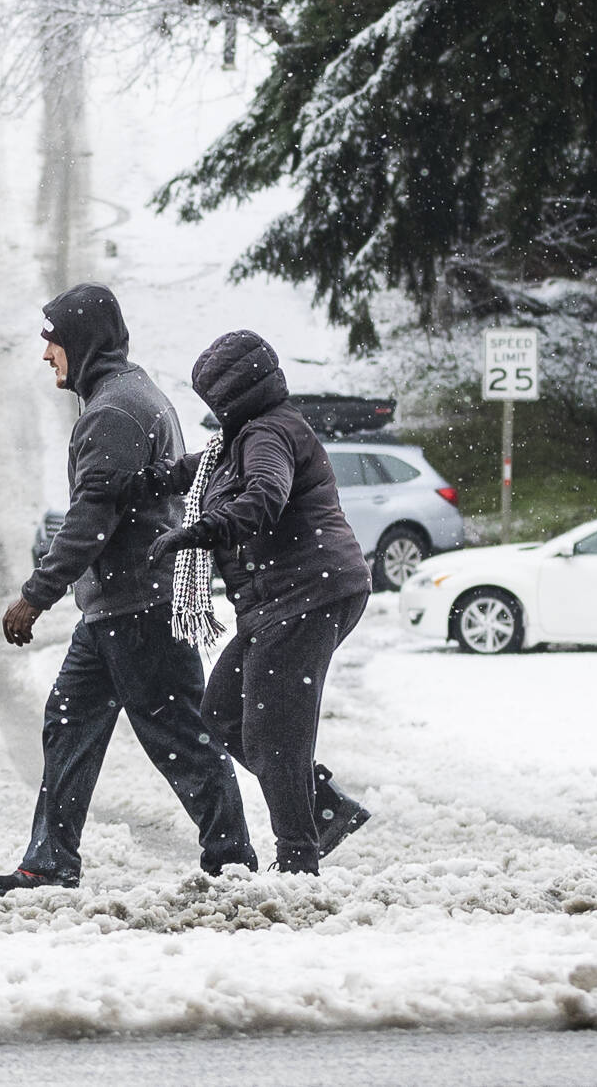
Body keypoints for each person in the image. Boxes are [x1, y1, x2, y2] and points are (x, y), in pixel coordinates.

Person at [0, 283, 257, 896]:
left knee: (180, 737)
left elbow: (92, 520)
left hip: (140, 604)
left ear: (81, 340)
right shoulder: (126, 395)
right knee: (69, 722)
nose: (45, 352)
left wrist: (35, 594)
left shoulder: (113, 411)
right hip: (118, 604)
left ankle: (233, 860)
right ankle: (49, 863)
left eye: (52, 339)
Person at [129, 330, 373, 875]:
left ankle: (297, 860)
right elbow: (196, 472)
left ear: (229, 395)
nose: (209, 410)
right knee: (222, 714)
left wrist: (198, 532)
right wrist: (138, 484)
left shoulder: (267, 435)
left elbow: (263, 496)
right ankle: (322, 808)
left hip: (307, 592)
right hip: (281, 600)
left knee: (272, 728)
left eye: (211, 398)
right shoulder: (239, 439)